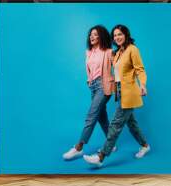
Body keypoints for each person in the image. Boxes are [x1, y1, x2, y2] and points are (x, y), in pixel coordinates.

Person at [83, 24, 150, 166]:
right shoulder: (118, 52)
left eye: (120, 34)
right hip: (119, 91)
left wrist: (142, 84)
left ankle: (101, 156)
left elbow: (140, 69)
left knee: (115, 124)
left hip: (130, 92)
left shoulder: (133, 49)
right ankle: (145, 145)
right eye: (115, 35)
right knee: (131, 124)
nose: (117, 37)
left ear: (126, 34)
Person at [63, 25, 115, 160]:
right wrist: (89, 80)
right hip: (93, 87)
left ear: (101, 36)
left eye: (95, 34)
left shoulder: (109, 52)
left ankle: (78, 147)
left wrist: (120, 84)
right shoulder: (89, 52)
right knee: (102, 118)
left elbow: (121, 67)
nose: (92, 36)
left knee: (91, 116)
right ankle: (112, 144)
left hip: (104, 86)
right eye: (91, 34)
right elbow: (91, 70)